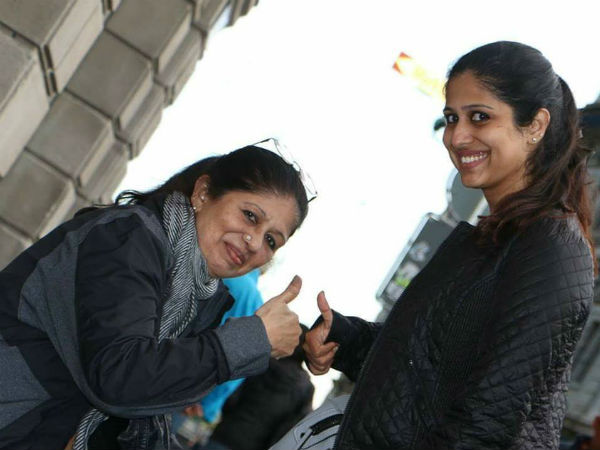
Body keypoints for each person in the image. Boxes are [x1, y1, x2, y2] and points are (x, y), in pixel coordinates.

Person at [303, 41, 596, 449]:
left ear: (535, 125)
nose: (457, 136)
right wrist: (344, 337)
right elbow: (423, 371)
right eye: (451, 118)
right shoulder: (493, 237)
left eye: (480, 117)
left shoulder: (551, 250)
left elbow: (487, 422)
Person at [0, 143, 311, 450]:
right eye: (250, 216)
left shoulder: (199, 293)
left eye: (271, 240)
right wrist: (251, 340)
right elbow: (119, 378)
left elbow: (139, 405)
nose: (254, 242)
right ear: (203, 193)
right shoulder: (129, 238)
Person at [205, 325, 314, 450]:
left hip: (226, 434)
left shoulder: (260, 363)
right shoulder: (305, 388)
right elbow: (290, 429)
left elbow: (231, 396)